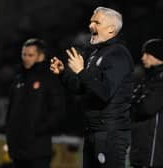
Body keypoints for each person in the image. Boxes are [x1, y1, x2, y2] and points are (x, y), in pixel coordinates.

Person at [50, 7, 134, 168]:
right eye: (90, 21)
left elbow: (104, 92)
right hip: (94, 130)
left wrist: (81, 71)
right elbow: (82, 88)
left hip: (110, 133)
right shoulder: (96, 53)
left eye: (96, 22)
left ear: (111, 29)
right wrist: (63, 74)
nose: (90, 25)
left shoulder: (118, 55)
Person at [6, 38, 65, 168]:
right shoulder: (18, 79)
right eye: (24, 54)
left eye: (30, 55)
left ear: (41, 56)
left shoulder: (50, 79)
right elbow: (11, 111)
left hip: (38, 150)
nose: (26, 58)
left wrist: (38, 131)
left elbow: (58, 110)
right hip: (17, 150)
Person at [130, 39, 163, 168]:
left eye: (147, 54)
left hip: (155, 154)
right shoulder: (150, 78)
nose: (143, 58)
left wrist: (134, 102)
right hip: (143, 150)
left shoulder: (160, 81)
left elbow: (147, 108)